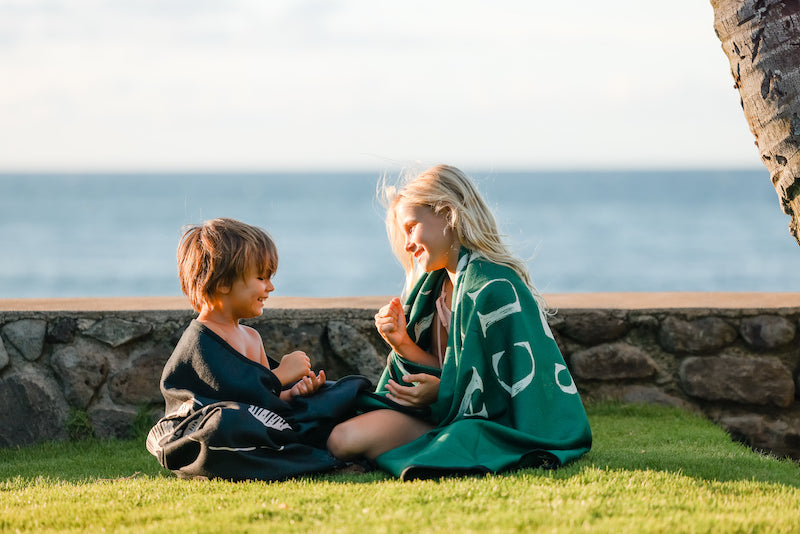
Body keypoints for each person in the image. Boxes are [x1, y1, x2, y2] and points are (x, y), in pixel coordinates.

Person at [327, 165, 592, 480]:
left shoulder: (495, 288)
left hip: (488, 423)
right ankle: (426, 446)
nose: (408, 244)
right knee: (340, 438)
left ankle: (428, 449)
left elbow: (505, 393)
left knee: (362, 441)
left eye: (412, 227)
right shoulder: (435, 287)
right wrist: (403, 344)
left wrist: (441, 393)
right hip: (444, 415)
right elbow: (450, 369)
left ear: (448, 214)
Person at [146, 218, 371, 481]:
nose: (270, 287)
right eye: (261, 277)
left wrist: (294, 391)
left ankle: (325, 444)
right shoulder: (199, 340)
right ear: (223, 283)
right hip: (217, 429)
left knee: (340, 390)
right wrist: (280, 376)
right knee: (224, 426)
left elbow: (266, 400)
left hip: (264, 424)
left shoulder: (251, 336)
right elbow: (221, 400)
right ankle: (317, 459)